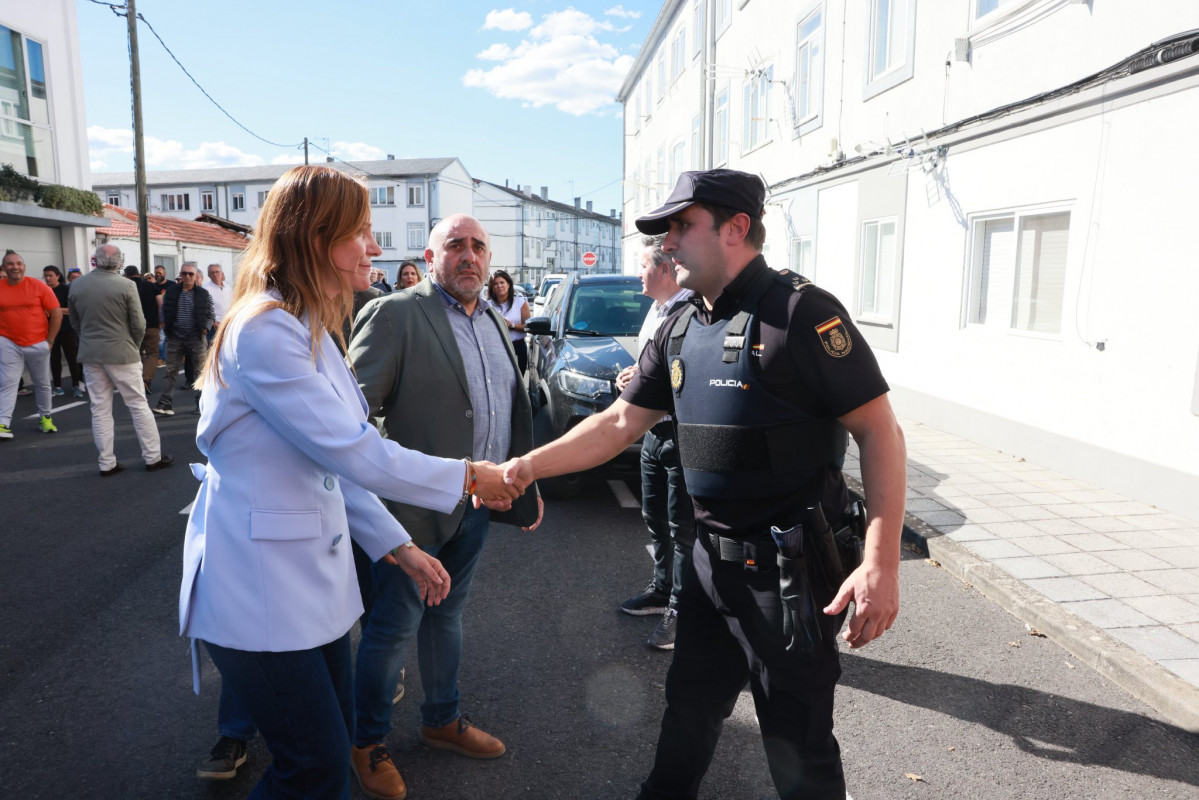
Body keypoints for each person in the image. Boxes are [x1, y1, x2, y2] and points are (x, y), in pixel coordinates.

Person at [502, 169, 907, 800]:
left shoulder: (802, 313)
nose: (667, 243)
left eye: (682, 227)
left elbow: (880, 432)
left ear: (736, 228)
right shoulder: (682, 323)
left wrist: (881, 563)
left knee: (799, 747)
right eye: (665, 231)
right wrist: (526, 467)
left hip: (787, 575)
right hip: (708, 566)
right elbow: (618, 424)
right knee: (687, 715)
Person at [179, 165, 521, 800]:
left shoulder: (305, 326)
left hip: (306, 590)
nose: (373, 246)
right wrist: (471, 476)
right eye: (360, 232)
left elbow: (332, 465)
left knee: (327, 764)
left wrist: (399, 546)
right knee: (312, 770)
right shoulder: (265, 329)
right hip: (262, 594)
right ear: (316, 239)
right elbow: (357, 451)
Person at [348, 213, 542, 800]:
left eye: (478, 246)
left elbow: (503, 410)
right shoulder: (395, 313)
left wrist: (522, 485)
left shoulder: (494, 319)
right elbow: (350, 419)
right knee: (393, 627)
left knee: (447, 614)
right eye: (455, 245)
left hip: (475, 506)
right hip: (411, 510)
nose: (469, 255)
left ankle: (441, 720)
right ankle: (366, 742)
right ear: (430, 257)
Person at [613, 236, 695, 650]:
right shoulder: (657, 309)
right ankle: (662, 590)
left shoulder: (691, 311)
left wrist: (644, 383)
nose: (638, 275)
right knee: (655, 518)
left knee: (683, 530)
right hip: (653, 432)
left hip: (681, 435)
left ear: (665, 269)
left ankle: (683, 611)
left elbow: (687, 376)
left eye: (643, 266)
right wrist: (631, 378)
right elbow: (650, 363)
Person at [68, 245, 172, 476]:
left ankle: (106, 462)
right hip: (122, 352)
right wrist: (133, 345)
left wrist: (87, 340)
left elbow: (75, 321)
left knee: (100, 409)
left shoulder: (77, 285)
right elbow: (138, 323)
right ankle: (152, 457)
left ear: (95, 260)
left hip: (91, 353)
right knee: (137, 405)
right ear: (118, 262)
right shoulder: (126, 285)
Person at [0, 250, 60, 438]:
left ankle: (46, 418)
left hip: (38, 342)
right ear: (4, 267)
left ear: (24, 266)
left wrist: (50, 341)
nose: (15, 267)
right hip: (8, 342)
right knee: (7, 383)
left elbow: (56, 312)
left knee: (42, 383)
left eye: (18, 263)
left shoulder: (38, 286)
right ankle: (3, 424)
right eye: (10, 264)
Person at [153, 262, 213, 416]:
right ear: (180, 274)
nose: (187, 277)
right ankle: (165, 404)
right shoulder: (172, 291)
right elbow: (164, 309)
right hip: (175, 337)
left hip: (196, 337)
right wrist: (164, 323)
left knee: (200, 372)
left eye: (190, 274)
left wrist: (205, 329)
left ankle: (201, 404)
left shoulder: (203, 294)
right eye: (184, 273)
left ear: (195, 276)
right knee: (170, 371)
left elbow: (210, 314)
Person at [42, 266, 86, 398]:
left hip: (67, 329)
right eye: (45, 276)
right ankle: (57, 386)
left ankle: (76, 385)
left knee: (72, 358)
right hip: (49, 330)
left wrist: (55, 310)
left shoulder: (66, 290)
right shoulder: (43, 290)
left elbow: (73, 310)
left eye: (50, 275)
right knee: (54, 359)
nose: (47, 278)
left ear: (58, 276)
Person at [124, 266, 162, 394]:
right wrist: (160, 321)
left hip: (132, 327)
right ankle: (146, 379)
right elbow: (160, 303)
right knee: (152, 353)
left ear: (126, 275)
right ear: (138, 273)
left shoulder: (125, 287)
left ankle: (136, 381)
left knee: (136, 354)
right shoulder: (151, 286)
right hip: (151, 324)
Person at [487, 269, 531, 375]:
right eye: (495, 284)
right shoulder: (487, 305)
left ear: (509, 284)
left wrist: (511, 325)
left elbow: (528, 327)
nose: (499, 286)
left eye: (502, 282)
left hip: (517, 347)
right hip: (495, 348)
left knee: (517, 380)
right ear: (492, 288)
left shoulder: (520, 302)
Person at [205, 263, 231, 337]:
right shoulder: (206, 289)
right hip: (215, 327)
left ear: (221, 273)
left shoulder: (228, 287)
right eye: (212, 273)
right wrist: (214, 322)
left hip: (229, 324)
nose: (215, 274)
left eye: (217, 272)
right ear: (208, 275)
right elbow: (204, 309)